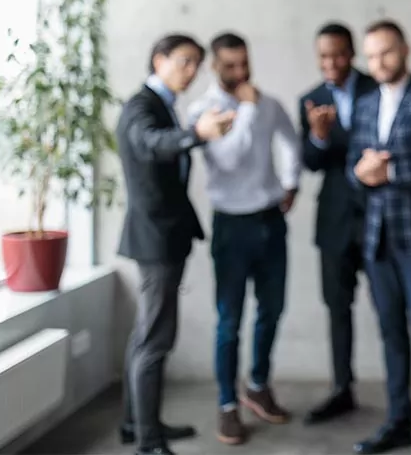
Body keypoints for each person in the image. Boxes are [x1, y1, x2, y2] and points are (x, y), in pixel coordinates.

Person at [116, 34, 235, 455]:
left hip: (163, 237)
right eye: (184, 61)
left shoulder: (159, 103)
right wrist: (196, 133)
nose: (191, 71)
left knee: (146, 336)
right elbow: (153, 144)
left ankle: (137, 425)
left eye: (195, 64)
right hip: (155, 241)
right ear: (158, 59)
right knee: (155, 340)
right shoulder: (140, 106)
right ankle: (148, 442)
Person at [186, 32, 301, 446]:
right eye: (231, 66)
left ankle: (257, 386)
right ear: (215, 67)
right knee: (229, 321)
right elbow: (231, 157)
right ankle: (227, 405)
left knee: (272, 310)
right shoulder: (203, 112)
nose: (240, 72)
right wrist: (249, 108)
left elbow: (290, 140)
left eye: (244, 63)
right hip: (231, 227)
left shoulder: (268, 104)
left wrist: (291, 183)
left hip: (271, 221)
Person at [347, 20, 411, 455]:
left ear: (404, 49)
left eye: (385, 52)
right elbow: (356, 166)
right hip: (377, 240)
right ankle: (397, 422)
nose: (378, 62)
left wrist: (389, 172)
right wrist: (360, 173)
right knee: (390, 335)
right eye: (370, 56)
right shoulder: (365, 103)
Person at [299, 22, 378, 424]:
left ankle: (401, 398)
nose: (330, 63)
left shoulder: (376, 87)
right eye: (323, 56)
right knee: (337, 309)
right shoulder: (311, 100)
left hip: (380, 219)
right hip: (333, 223)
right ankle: (341, 389)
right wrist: (317, 137)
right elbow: (310, 163)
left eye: (337, 55)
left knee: (390, 311)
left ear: (351, 54)